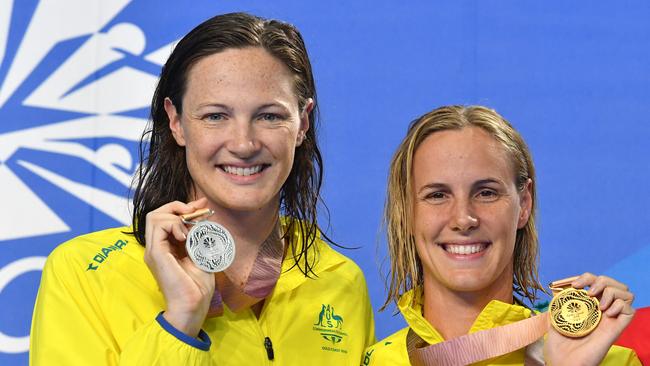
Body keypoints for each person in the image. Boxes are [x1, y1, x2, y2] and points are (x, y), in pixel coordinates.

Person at [30, 12, 374, 365]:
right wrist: (180, 321)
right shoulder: (84, 275)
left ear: (302, 123)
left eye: (269, 116)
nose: (243, 143)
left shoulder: (340, 282)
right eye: (215, 116)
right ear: (176, 122)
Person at [363, 105, 639, 365]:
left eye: (486, 193)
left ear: (524, 204)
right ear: (408, 213)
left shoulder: (608, 361)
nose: (463, 219)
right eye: (437, 195)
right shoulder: (375, 361)